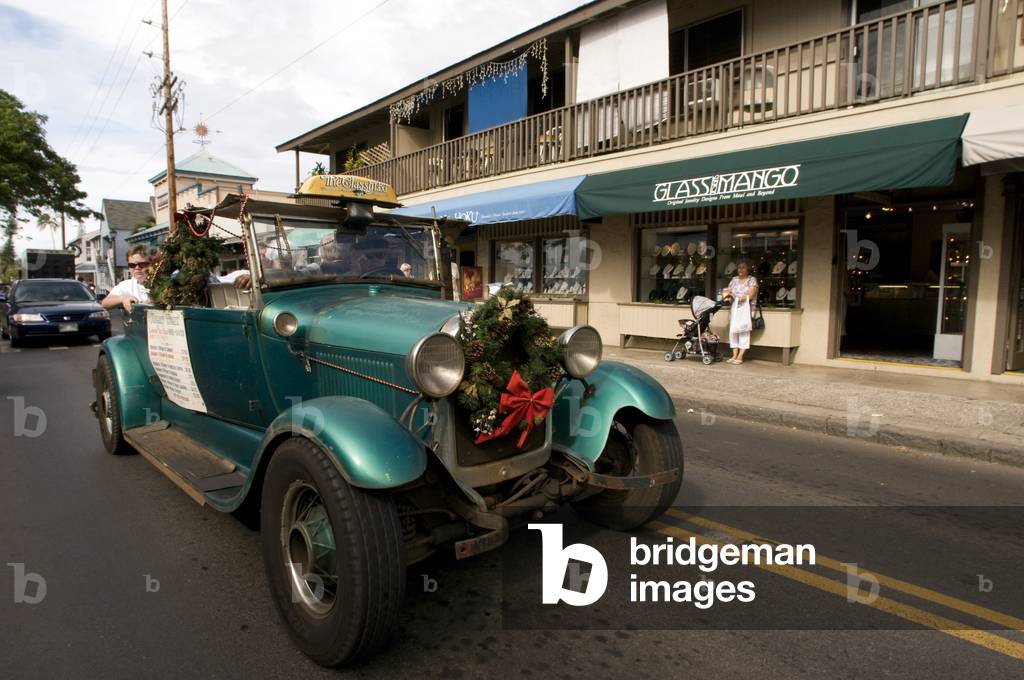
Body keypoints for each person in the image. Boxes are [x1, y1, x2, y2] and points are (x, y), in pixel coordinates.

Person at [722, 260, 758, 365]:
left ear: (748, 269)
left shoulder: (752, 280)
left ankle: (740, 356)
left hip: (747, 309)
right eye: (739, 268)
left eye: (743, 267)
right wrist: (726, 293)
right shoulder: (734, 279)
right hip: (735, 308)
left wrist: (734, 296)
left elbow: (750, 296)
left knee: (743, 331)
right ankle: (734, 354)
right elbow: (727, 291)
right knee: (733, 331)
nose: (740, 270)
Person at [102, 245, 151, 313]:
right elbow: (105, 302)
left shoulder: (163, 282)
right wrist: (123, 299)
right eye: (132, 265)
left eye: (142, 264)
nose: (137, 268)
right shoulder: (127, 285)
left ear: (151, 264)